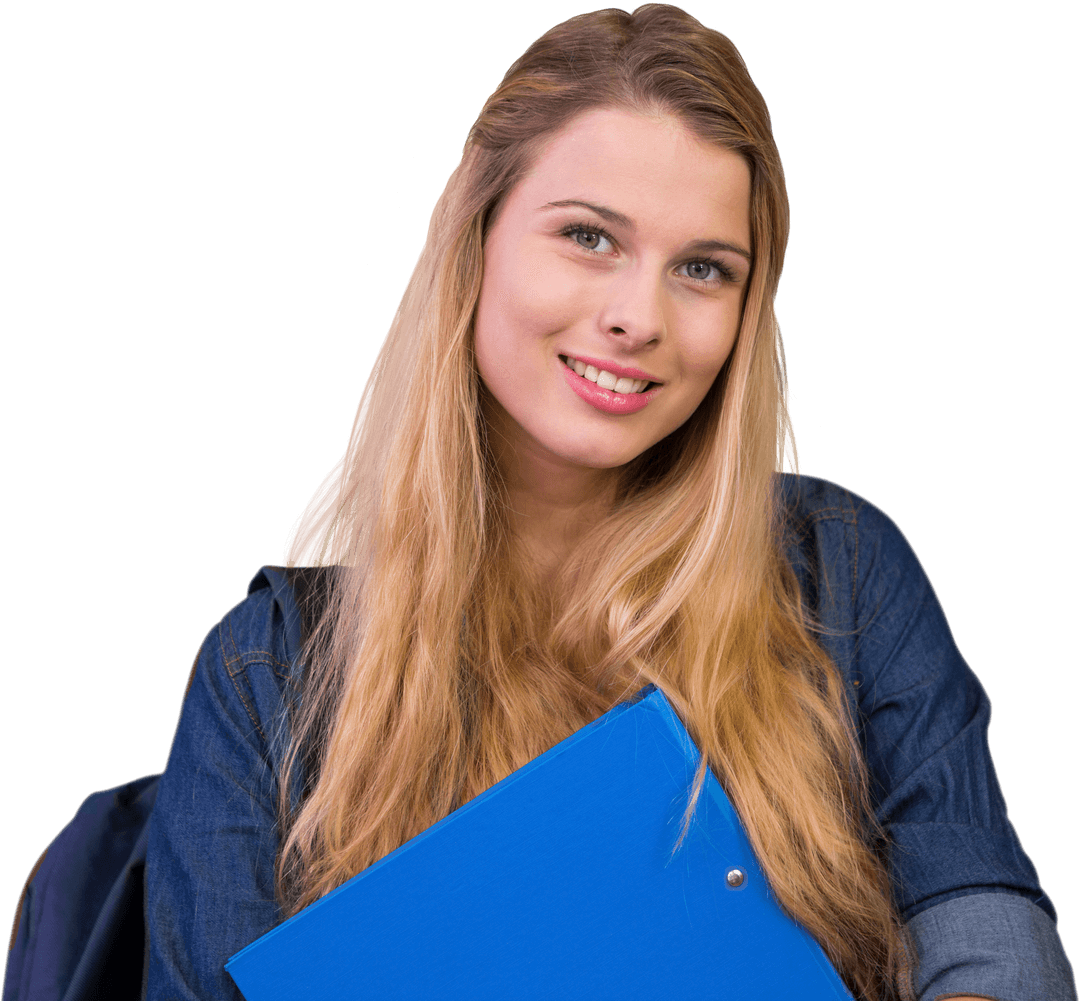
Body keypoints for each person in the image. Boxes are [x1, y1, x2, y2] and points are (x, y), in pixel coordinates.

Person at [141, 5, 1077, 1000]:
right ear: (476, 239)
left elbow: (992, 939)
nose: (638, 315)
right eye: (590, 236)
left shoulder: (839, 570)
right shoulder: (270, 673)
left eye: (704, 269)